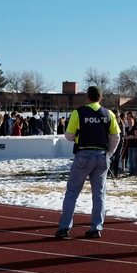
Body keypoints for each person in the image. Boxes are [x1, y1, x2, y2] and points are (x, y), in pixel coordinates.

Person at [55, 86, 120, 239]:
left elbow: (69, 135)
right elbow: (116, 136)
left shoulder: (79, 112)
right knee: (99, 194)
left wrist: (78, 134)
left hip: (84, 154)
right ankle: (96, 227)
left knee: (72, 193)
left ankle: (64, 228)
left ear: (87, 97)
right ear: (101, 98)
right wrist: (109, 154)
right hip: (102, 156)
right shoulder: (109, 114)